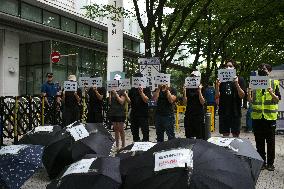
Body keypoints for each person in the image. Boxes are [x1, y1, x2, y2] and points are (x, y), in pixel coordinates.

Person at [248, 63, 281, 171]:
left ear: (269, 71)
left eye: (265, 69)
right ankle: (262, 162)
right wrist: (249, 91)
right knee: (259, 141)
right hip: (257, 117)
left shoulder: (274, 82)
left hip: (270, 117)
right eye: (260, 69)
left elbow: (277, 100)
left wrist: (271, 93)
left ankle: (270, 164)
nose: (262, 70)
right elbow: (250, 101)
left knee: (270, 142)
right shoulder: (255, 83)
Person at [215, 60, 246, 137]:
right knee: (225, 135)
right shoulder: (221, 80)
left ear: (234, 68)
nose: (228, 68)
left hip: (235, 111)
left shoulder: (240, 79)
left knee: (235, 134)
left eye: (230, 66)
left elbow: (242, 95)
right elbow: (216, 96)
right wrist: (217, 86)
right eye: (226, 66)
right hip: (223, 111)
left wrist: (236, 83)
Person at [125, 73, 152, 142]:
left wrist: (141, 93)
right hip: (134, 114)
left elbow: (147, 101)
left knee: (145, 133)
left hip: (143, 114)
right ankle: (136, 149)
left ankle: (145, 148)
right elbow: (130, 102)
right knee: (135, 134)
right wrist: (125, 95)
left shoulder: (146, 88)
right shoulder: (132, 89)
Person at [183, 71, 206, 139]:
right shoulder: (187, 88)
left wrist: (199, 91)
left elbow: (203, 102)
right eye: (192, 76)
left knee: (199, 135)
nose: (193, 77)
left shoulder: (202, 88)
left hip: (198, 114)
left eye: (195, 76)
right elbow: (184, 103)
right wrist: (184, 91)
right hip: (189, 113)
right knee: (189, 135)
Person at [108, 77, 126, 150]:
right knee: (115, 129)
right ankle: (117, 145)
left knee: (121, 129)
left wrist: (116, 94)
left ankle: (123, 145)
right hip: (113, 112)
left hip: (120, 112)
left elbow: (121, 101)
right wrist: (110, 93)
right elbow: (110, 102)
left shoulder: (122, 91)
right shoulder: (111, 91)